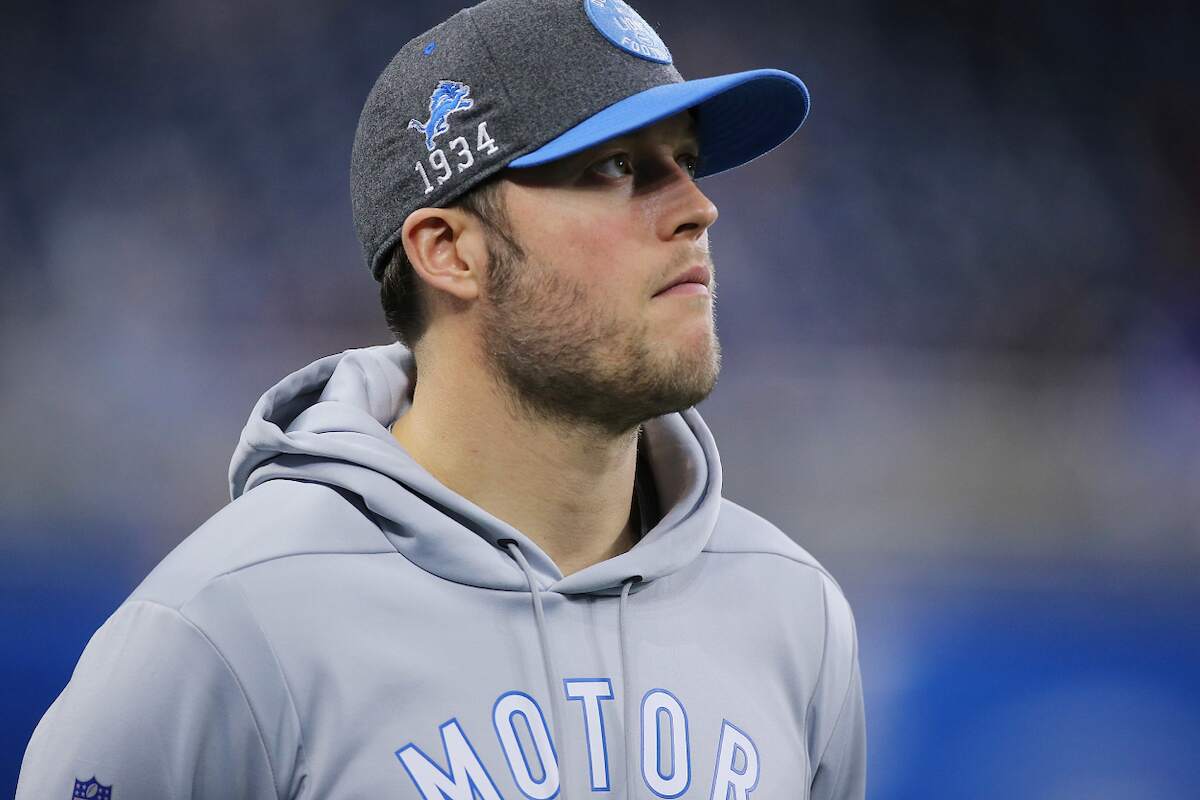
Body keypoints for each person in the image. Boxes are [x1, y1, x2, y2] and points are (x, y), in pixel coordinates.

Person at [18, 0, 865, 797]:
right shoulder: (223, 626)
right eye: (615, 166)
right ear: (450, 252)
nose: (700, 207)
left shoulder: (792, 609)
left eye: (684, 161)